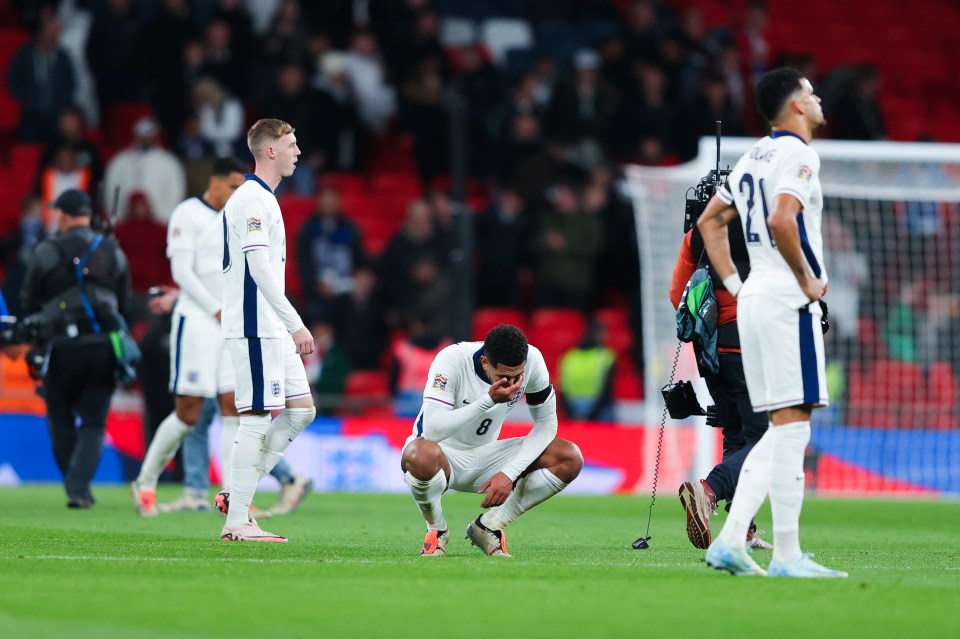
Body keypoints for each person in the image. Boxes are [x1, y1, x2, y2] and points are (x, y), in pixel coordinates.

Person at [696, 68, 846, 578]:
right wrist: (805, 278)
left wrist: (737, 285)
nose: (818, 97)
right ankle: (772, 551)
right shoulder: (799, 154)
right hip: (785, 299)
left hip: (756, 294)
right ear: (797, 106)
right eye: (810, 91)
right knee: (792, 426)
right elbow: (784, 218)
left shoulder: (754, 153)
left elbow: (710, 221)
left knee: (783, 428)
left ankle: (750, 546)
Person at [400, 324, 583, 557]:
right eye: (504, 376)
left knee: (569, 456)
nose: (512, 383)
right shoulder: (452, 359)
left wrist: (510, 473)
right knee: (419, 455)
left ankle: (488, 527)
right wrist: (487, 400)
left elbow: (547, 424)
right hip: (442, 456)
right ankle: (436, 530)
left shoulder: (534, 359)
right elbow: (433, 430)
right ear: (486, 363)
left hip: (488, 456)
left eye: (519, 376)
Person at [218, 119, 317, 542]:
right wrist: (296, 323)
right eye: (292, 144)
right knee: (256, 417)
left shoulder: (265, 199)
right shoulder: (252, 200)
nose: (298, 151)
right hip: (257, 326)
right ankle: (237, 519)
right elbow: (258, 269)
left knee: (302, 410)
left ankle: (237, 493)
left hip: (270, 326)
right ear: (270, 150)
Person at [20, 189, 132, 508]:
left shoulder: (47, 250)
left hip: (61, 346)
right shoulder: (112, 250)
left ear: (64, 216)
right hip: (103, 347)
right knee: (95, 421)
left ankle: (74, 485)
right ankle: (79, 487)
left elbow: (29, 300)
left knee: (60, 416)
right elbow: (124, 304)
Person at [670, 224, 773, 551]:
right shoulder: (771, 228)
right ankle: (709, 490)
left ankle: (741, 529)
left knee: (736, 433)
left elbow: (678, 295)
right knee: (766, 441)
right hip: (753, 346)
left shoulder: (697, 236)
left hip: (711, 351)